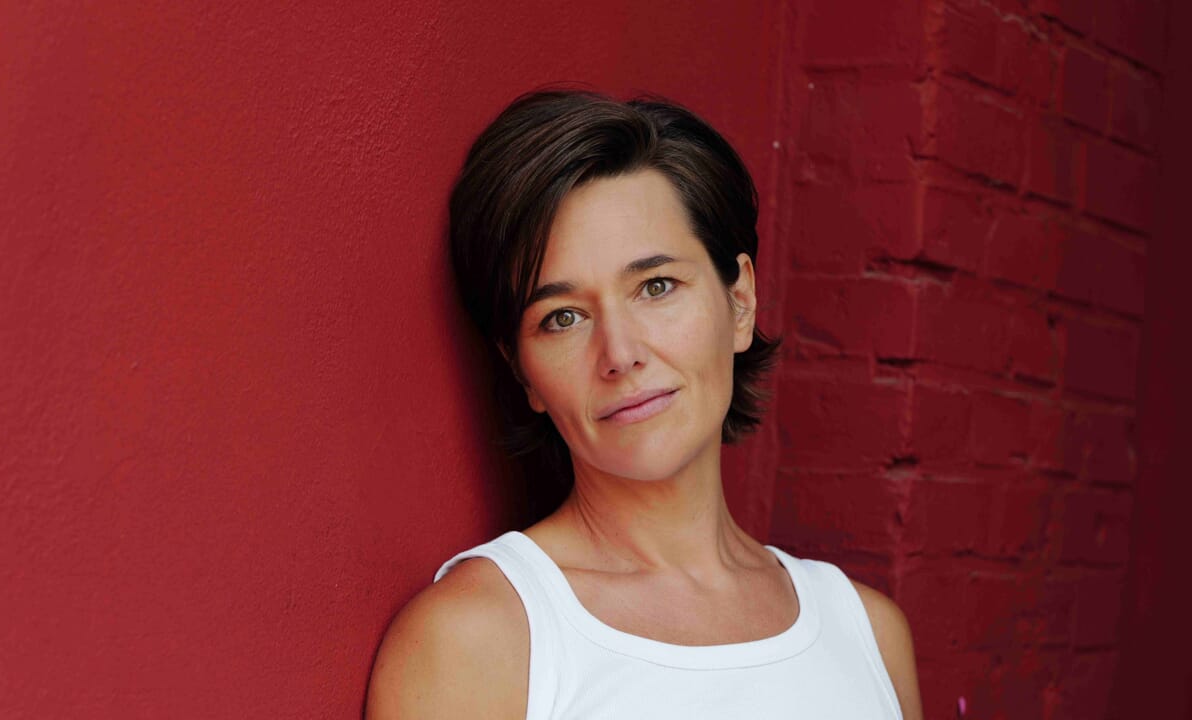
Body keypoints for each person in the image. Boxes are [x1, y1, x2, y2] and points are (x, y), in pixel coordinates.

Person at [365, 89, 924, 720]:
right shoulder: (479, 640)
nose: (620, 353)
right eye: (563, 317)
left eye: (657, 286)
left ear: (739, 302)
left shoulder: (869, 634)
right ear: (521, 371)